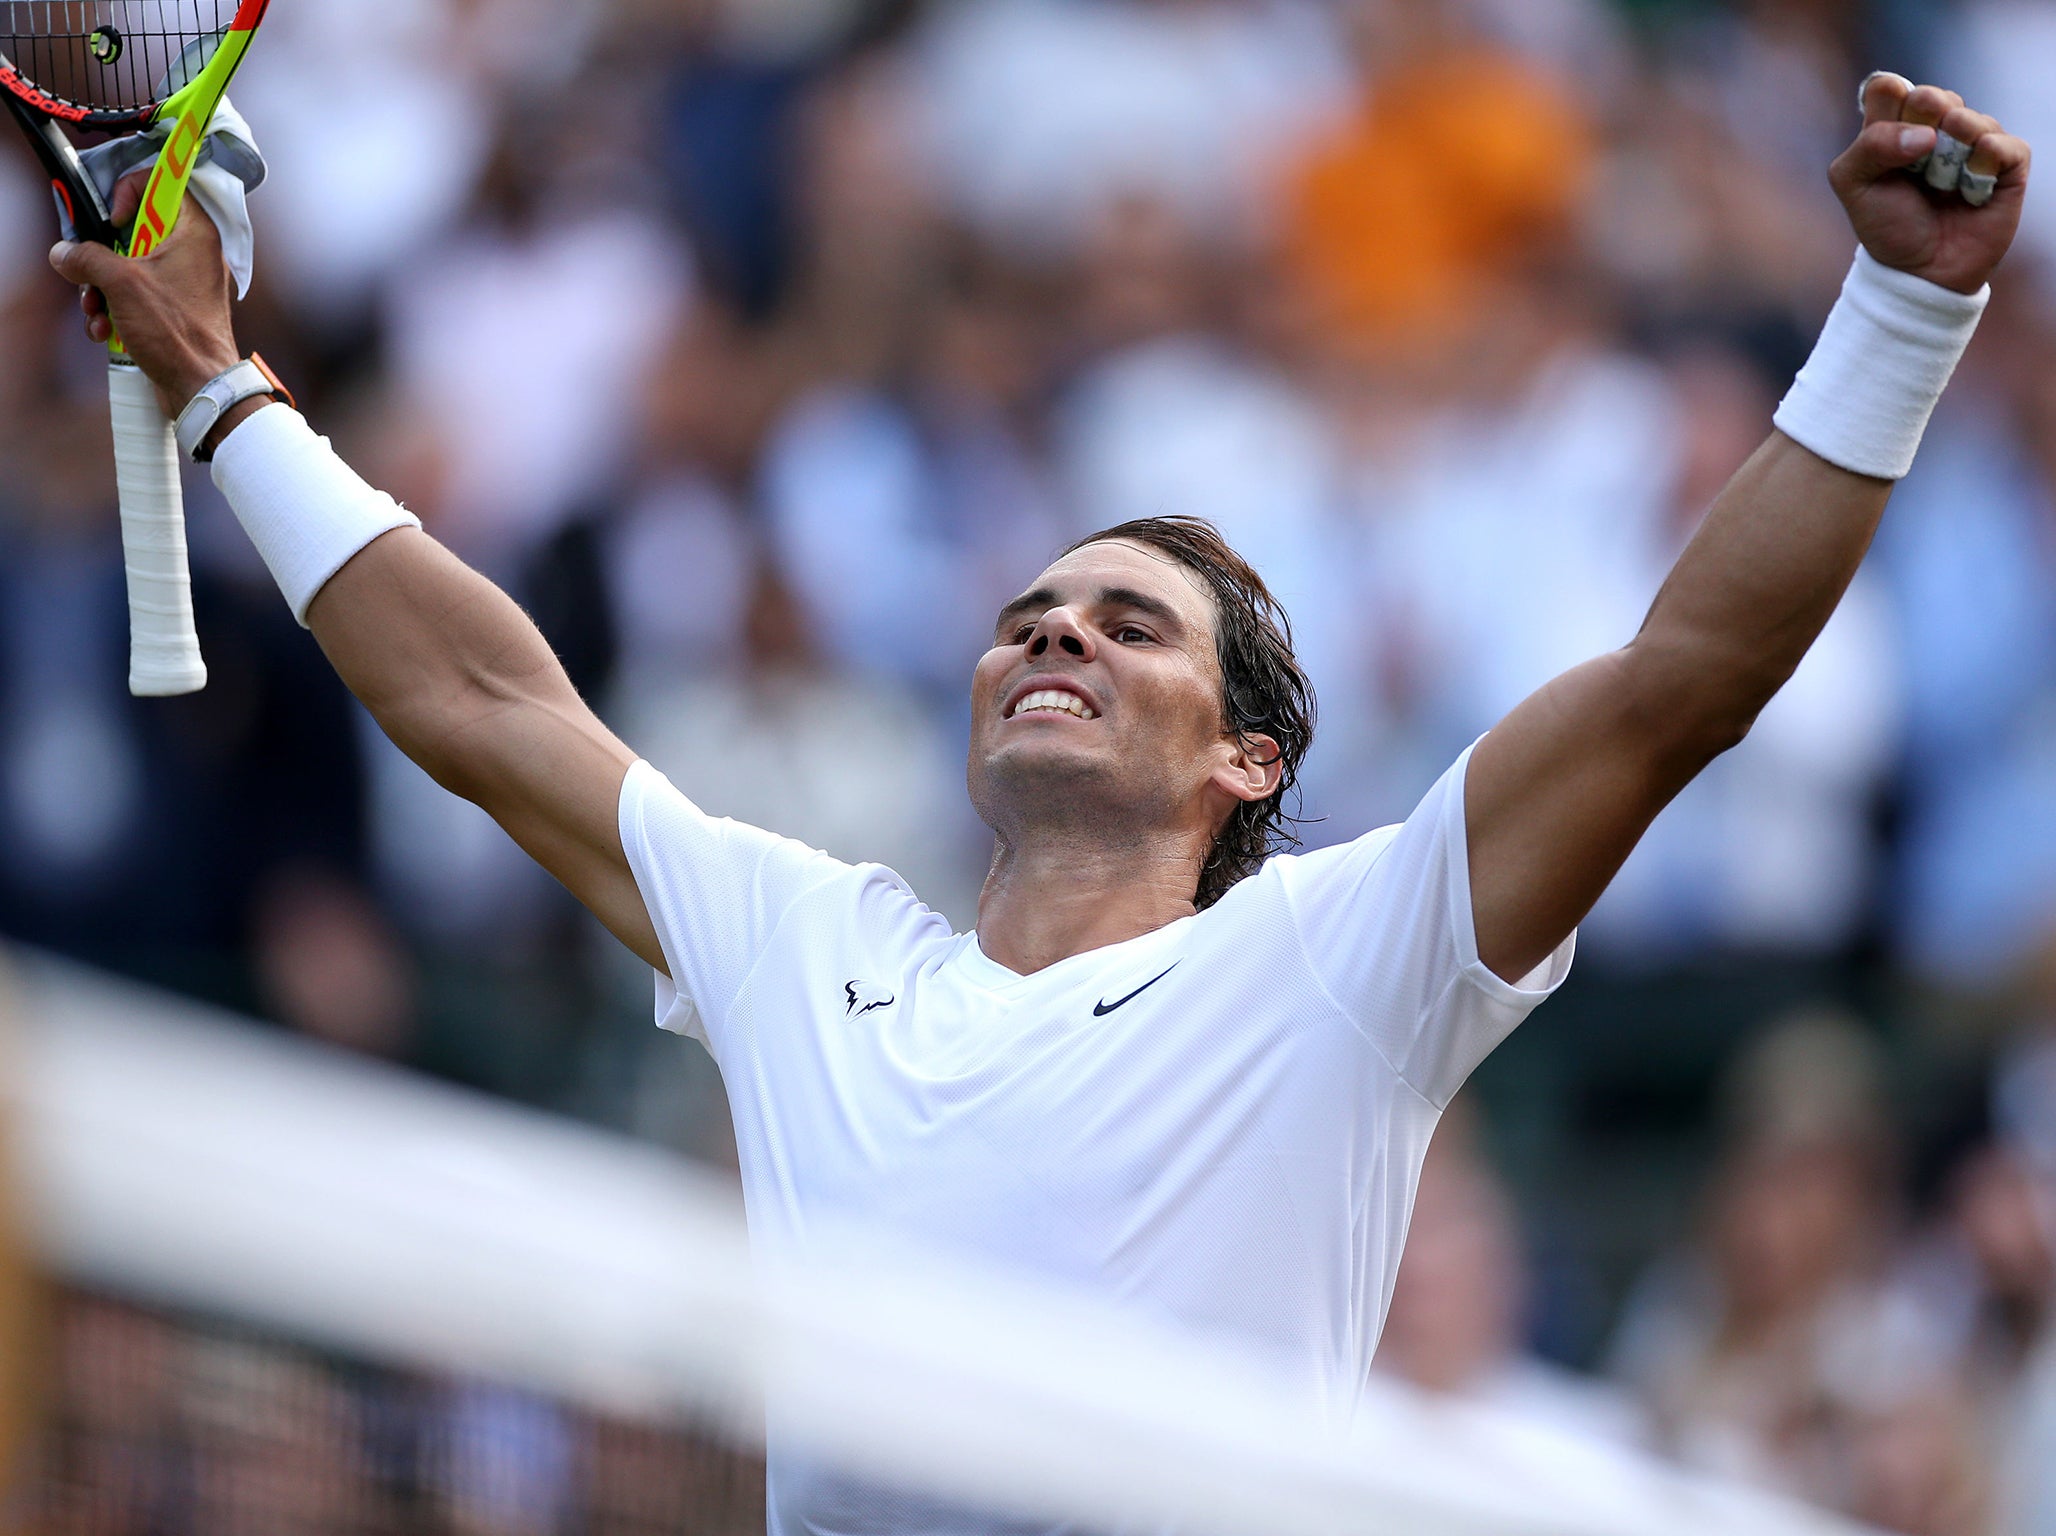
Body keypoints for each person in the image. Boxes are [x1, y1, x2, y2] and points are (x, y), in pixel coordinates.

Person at [47, 75, 2030, 1533]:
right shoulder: (807, 945)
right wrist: (232, 396)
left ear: (1248, 761)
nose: (1053, 636)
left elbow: (1680, 683)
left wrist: (1896, 317)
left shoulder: (1345, 959)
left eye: (1126, 626)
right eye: (1024, 617)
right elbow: (486, 698)